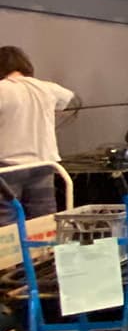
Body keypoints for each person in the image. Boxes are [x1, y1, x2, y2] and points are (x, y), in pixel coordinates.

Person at [0, 46, 77, 227]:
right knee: (43, 222)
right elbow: (69, 98)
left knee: (7, 224)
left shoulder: (2, 89)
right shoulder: (48, 88)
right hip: (44, 165)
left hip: (7, 166)